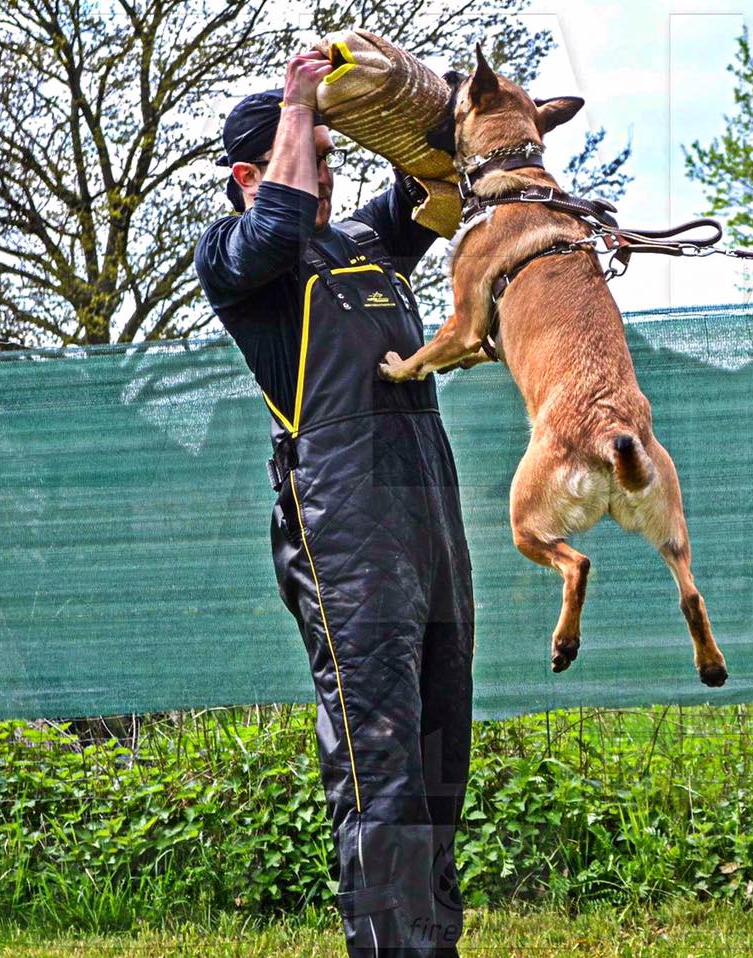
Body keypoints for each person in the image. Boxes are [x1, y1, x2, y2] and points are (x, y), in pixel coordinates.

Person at [194, 50, 475, 958]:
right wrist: (297, 99)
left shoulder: (365, 241)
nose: (328, 166)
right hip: (344, 522)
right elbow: (275, 224)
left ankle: (432, 944)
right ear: (254, 170)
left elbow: (435, 178)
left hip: (428, 506)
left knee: (440, 753)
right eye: (312, 149)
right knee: (379, 760)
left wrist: (433, 106)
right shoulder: (242, 260)